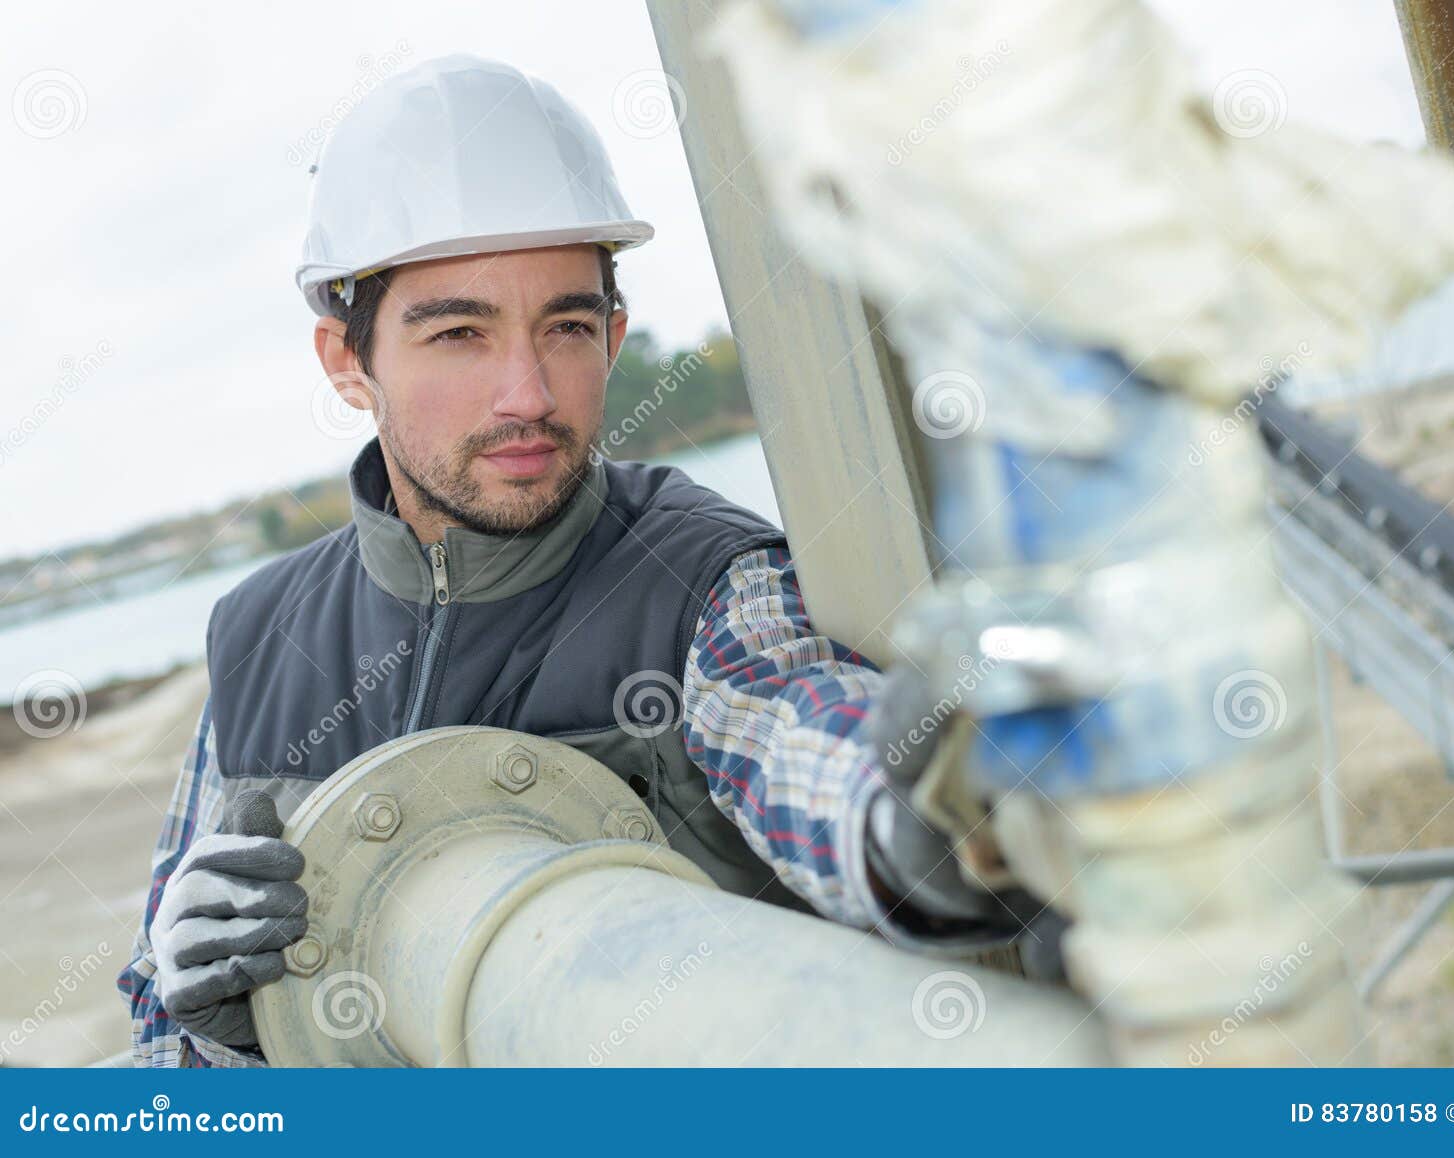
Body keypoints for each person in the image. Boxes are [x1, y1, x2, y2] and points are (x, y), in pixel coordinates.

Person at [116, 54, 1041, 1067]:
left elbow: (811, 747)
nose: (528, 392)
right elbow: (160, 1027)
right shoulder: (258, 636)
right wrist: (207, 1016)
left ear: (615, 336)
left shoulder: (701, 582)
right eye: (460, 334)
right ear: (347, 362)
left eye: (565, 326)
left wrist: (935, 818)